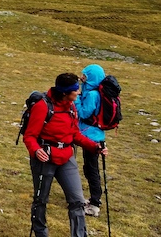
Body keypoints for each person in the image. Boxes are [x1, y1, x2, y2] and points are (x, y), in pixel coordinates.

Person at [23, 72, 108, 237]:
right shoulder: (42, 107)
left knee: (77, 201)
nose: (79, 92)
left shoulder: (71, 107)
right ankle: (41, 233)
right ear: (64, 92)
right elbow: (30, 136)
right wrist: (36, 150)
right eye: (75, 90)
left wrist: (95, 147)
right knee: (41, 200)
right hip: (45, 158)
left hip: (66, 157)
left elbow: (75, 134)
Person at [74, 64, 106, 218]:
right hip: (92, 134)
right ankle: (94, 200)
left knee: (92, 170)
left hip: (91, 137)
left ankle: (95, 204)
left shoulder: (92, 94)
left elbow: (84, 113)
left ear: (92, 77)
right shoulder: (93, 91)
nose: (82, 78)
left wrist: (77, 98)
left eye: (85, 75)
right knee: (90, 168)